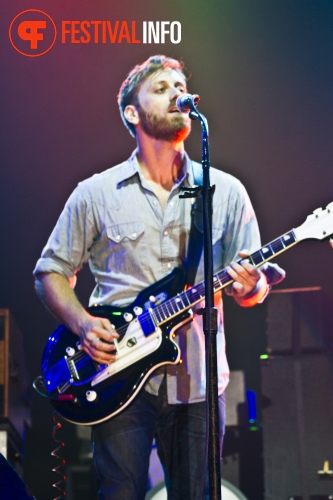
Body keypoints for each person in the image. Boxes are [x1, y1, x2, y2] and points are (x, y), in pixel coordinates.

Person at [33, 55, 285, 499]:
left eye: (181, 85)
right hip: (115, 374)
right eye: (162, 87)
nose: (177, 94)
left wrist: (253, 285)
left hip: (199, 383)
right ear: (132, 112)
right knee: (120, 492)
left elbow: (252, 287)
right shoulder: (95, 194)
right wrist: (84, 324)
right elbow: (50, 272)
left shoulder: (225, 191)